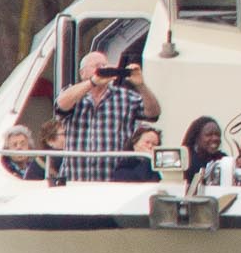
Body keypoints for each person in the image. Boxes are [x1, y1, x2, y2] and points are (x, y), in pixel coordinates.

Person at [54, 50, 161, 181]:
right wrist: (93, 82)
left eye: (105, 66)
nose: (103, 69)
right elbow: (61, 105)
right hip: (75, 179)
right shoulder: (73, 93)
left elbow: (153, 114)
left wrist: (141, 85)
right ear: (82, 73)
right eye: (97, 66)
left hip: (114, 180)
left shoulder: (124, 96)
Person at [182, 117, 231, 187]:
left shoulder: (224, 159)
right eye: (209, 135)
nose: (215, 138)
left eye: (217, 134)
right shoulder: (186, 160)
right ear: (197, 138)